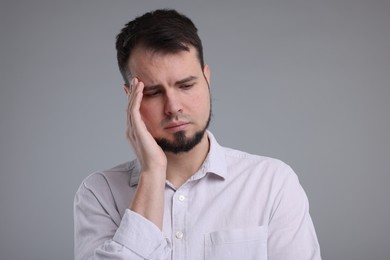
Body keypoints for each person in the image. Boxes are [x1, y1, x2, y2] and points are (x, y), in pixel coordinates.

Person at [74, 9, 321, 260]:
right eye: (153, 92)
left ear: (207, 79)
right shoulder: (100, 193)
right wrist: (152, 173)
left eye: (186, 85)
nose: (173, 107)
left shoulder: (272, 183)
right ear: (130, 98)